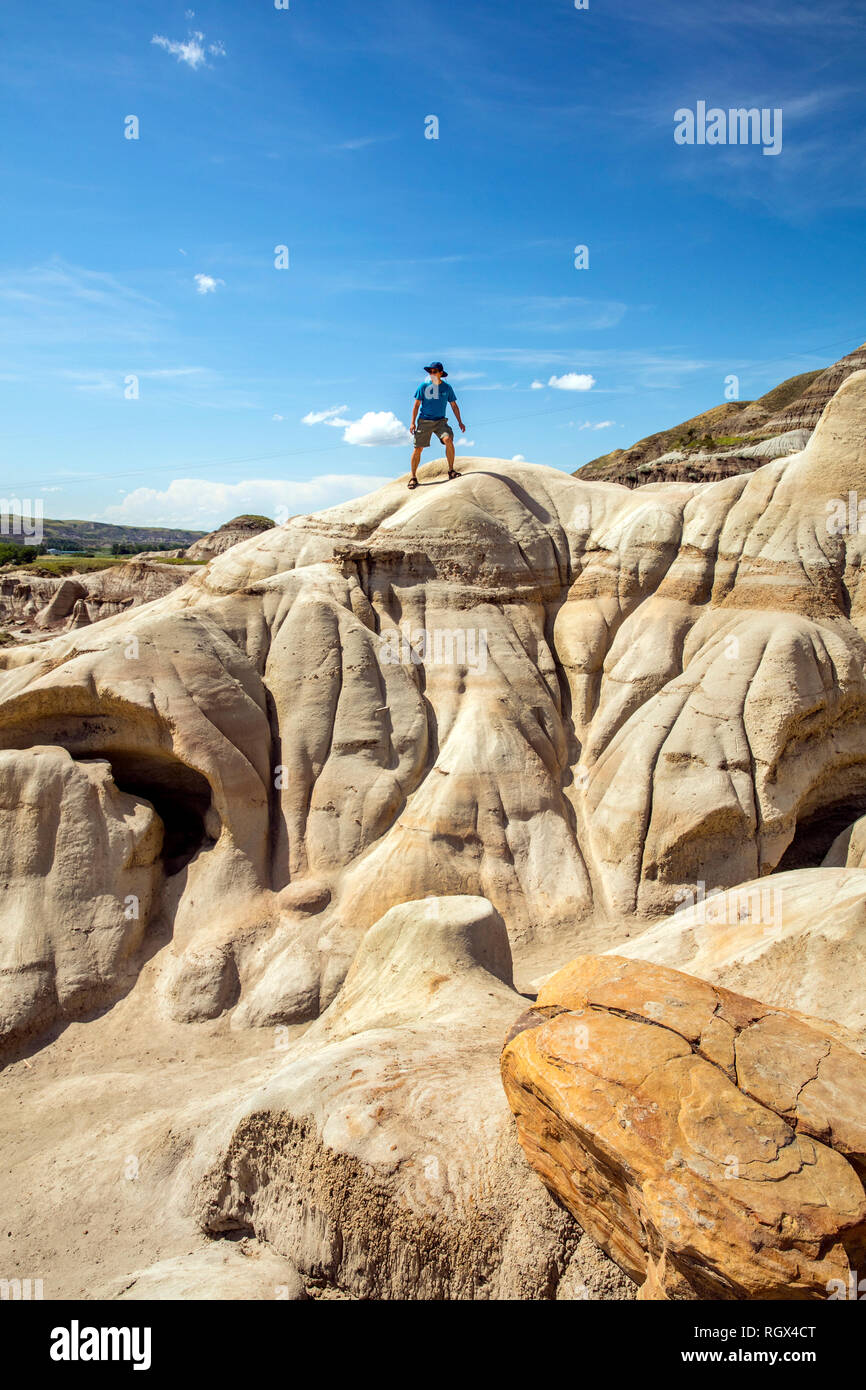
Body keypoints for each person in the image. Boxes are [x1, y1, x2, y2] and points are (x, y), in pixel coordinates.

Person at [407, 362, 466, 489]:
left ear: (440, 373)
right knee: (418, 448)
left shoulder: (447, 388)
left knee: (448, 440)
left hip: (440, 421)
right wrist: (412, 422)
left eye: (434, 372)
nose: (432, 374)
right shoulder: (423, 386)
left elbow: (454, 406)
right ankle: (413, 477)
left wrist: (460, 422)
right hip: (424, 421)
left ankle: (451, 471)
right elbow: (416, 405)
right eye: (430, 372)